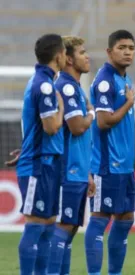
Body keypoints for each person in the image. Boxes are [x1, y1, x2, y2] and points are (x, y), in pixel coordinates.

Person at [84, 30, 135, 275]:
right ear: (109, 51)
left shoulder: (124, 79)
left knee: (125, 218)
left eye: (131, 47)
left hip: (124, 165)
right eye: (121, 47)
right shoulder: (105, 80)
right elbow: (103, 121)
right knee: (100, 217)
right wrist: (128, 103)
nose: (127, 52)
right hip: (108, 163)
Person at [16, 33, 66, 275]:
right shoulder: (45, 85)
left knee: (47, 224)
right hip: (38, 165)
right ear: (58, 56)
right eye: (65, 52)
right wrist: (62, 109)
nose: (67, 56)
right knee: (36, 224)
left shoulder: (39, 80)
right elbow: (51, 127)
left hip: (47, 163)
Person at [47, 35, 96, 274]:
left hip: (78, 169)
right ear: (68, 58)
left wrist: (87, 172)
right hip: (67, 170)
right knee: (64, 227)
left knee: (72, 227)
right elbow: (77, 127)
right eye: (82, 52)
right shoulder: (65, 86)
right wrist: (91, 114)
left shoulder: (74, 86)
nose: (87, 57)